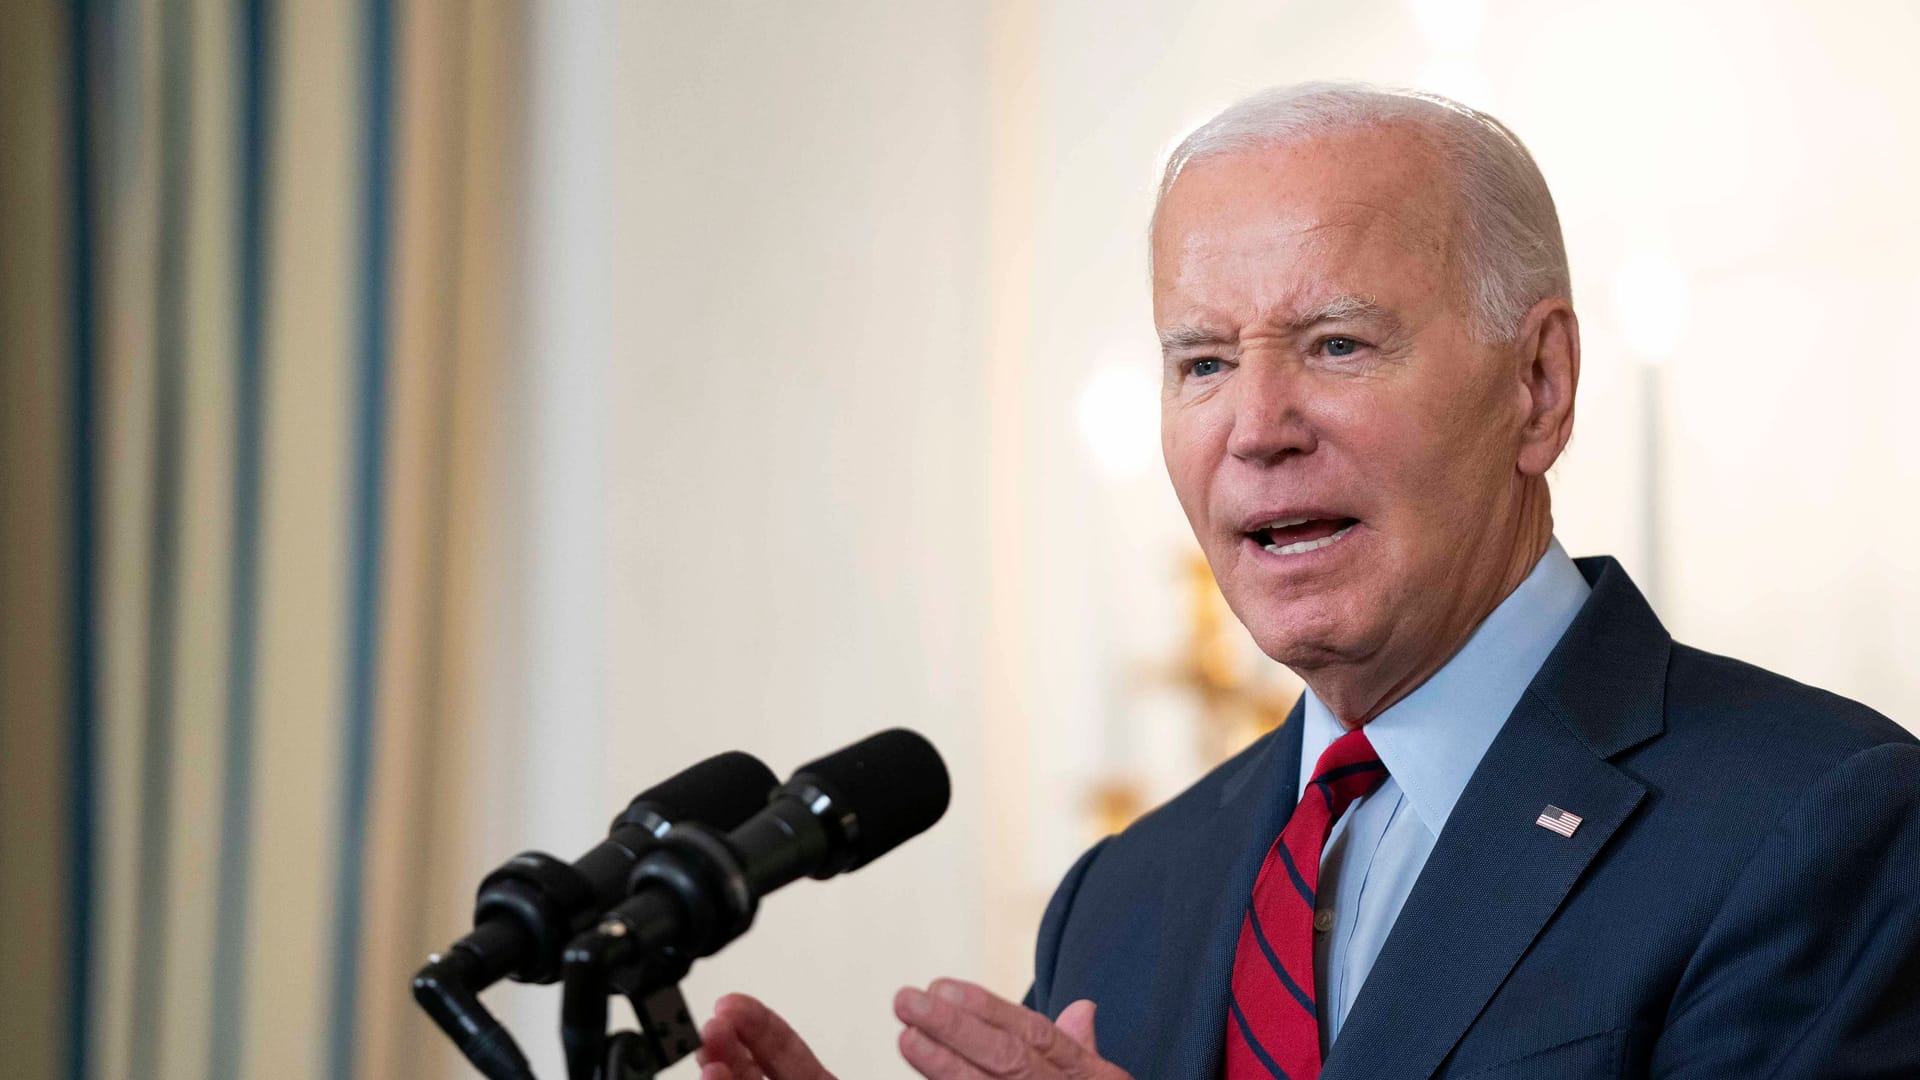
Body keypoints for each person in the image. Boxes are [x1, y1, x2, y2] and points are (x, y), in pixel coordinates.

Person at [695, 83, 1920, 1080]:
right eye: (1205, 362)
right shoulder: (1122, 897)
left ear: (1537, 386)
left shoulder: (1818, 821)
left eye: (1336, 344)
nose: (1258, 425)